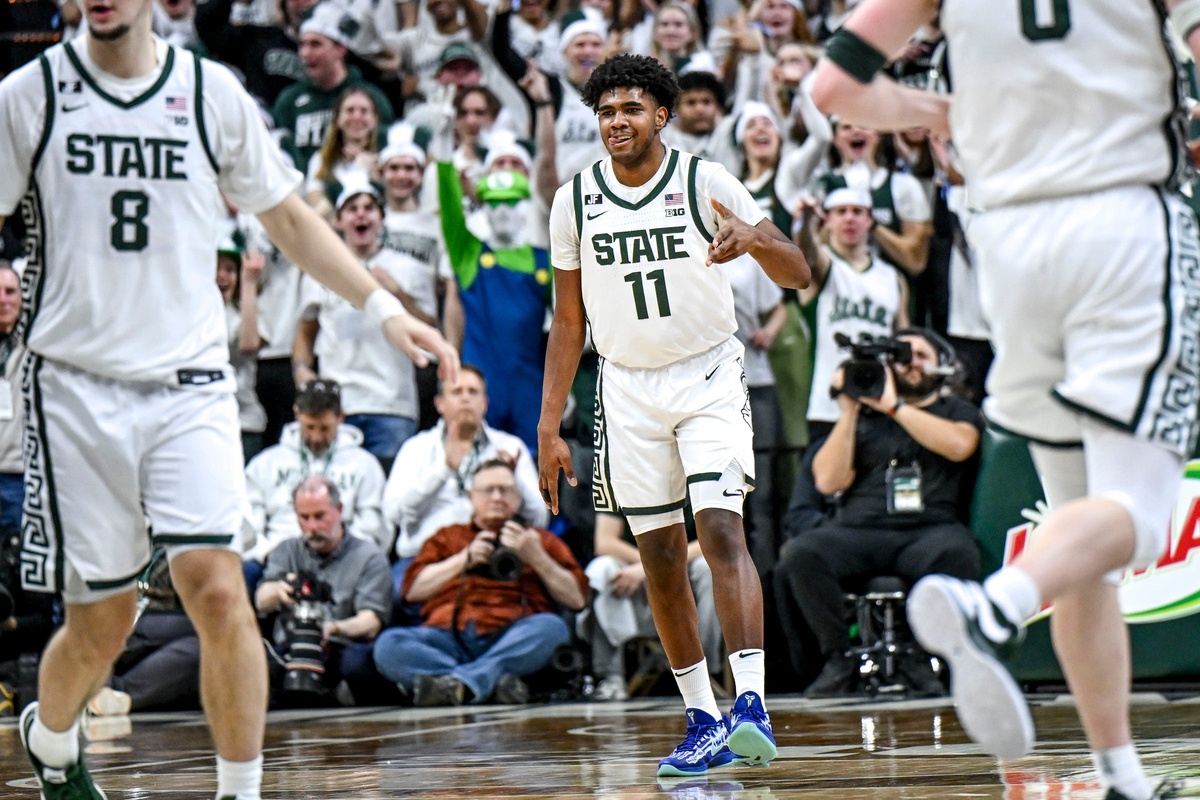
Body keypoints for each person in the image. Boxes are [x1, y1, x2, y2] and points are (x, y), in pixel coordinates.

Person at [0, 2, 458, 795]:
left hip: (191, 382)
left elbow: (286, 216)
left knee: (217, 583)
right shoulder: (28, 96)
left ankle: (239, 793)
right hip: (73, 386)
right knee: (101, 623)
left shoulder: (212, 94)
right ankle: (53, 737)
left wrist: (381, 309)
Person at [811, 4, 1200, 800]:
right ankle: (993, 606)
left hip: (1012, 248)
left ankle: (1120, 774)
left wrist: (938, 111)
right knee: (1143, 514)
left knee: (1075, 532)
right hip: (1125, 221)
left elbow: (834, 85)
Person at [538, 54, 809, 778]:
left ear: (662, 115)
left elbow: (798, 270)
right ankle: (701, 717)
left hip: (709, 374)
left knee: (720, 527)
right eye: (605, 112)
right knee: (657, 555)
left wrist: (755, 238)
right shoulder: (575, 200)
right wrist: (547, 426)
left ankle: (749, 703)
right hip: (624, 387)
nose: (616, 122)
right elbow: (568, 323)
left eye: (631, 108)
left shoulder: (704, 180)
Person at [775, 329, 981, 697]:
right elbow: (827, 481)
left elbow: (959, 446)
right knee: (803, 554)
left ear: (941, 363)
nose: (912, 361)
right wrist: (850, 410)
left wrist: (894, 407)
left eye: (921, 354)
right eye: (902, 355)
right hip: (861, 530)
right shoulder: (864, 417)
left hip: (928, 530)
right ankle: (839, 658)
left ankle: (919, 657)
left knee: (959, 552)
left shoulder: (955, 410)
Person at [372, 458, 587, 706]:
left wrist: (536, 558)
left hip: (511, 638)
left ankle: (456, 685)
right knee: (388, 645)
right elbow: (412, 591)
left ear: (518, 498)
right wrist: (464, 559)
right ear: (471, 496)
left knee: (553, 629)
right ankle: (486, 682)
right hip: (447, 638)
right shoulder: (447, 537)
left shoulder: (538, 540)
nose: (497, 497)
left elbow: (577, 599)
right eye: (488, 490)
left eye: (505, 490)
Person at [383, 365, 546, 570]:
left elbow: (539, 518)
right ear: (439, 404)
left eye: (473, 392)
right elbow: (393, 514)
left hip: (495, 558)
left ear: (485, 403)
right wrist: (443, 470)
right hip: (426, 559)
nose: (465, 398)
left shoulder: (510, 447)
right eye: (457, 392)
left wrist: (513, 483)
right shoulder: (416, 448)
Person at [255, 476, 392, 704]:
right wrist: (278, 590)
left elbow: (371, 621)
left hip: (340, 645)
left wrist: (334, 628)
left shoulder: (368, 557)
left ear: (339, 510)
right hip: (291, 646)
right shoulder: (287, 551)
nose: (312, 527)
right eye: (304, 518)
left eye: (320, 516)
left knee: (357, 664)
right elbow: (261, 599)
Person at [796, 187, 908, 442]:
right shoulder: (824, 268)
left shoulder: (893, 278)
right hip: (828, 406)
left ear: (870, 220)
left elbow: (902, 339)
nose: (849, 218)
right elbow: (807, 253)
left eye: (858, 212)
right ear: (829, 221)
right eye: (841, 212)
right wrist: (804, 223)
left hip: (879, 401)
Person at [244, 379, 388, 570]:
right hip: (276, 556)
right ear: (297, 414)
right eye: (309, 427)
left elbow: (374, 525)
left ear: (341, 418)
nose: (316, 437)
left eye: (325, 428)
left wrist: (347, 554)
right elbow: (248, 524)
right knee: (243, 574)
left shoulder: (365, 464)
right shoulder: (265, 464)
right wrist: (267, 552)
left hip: (343, 561)